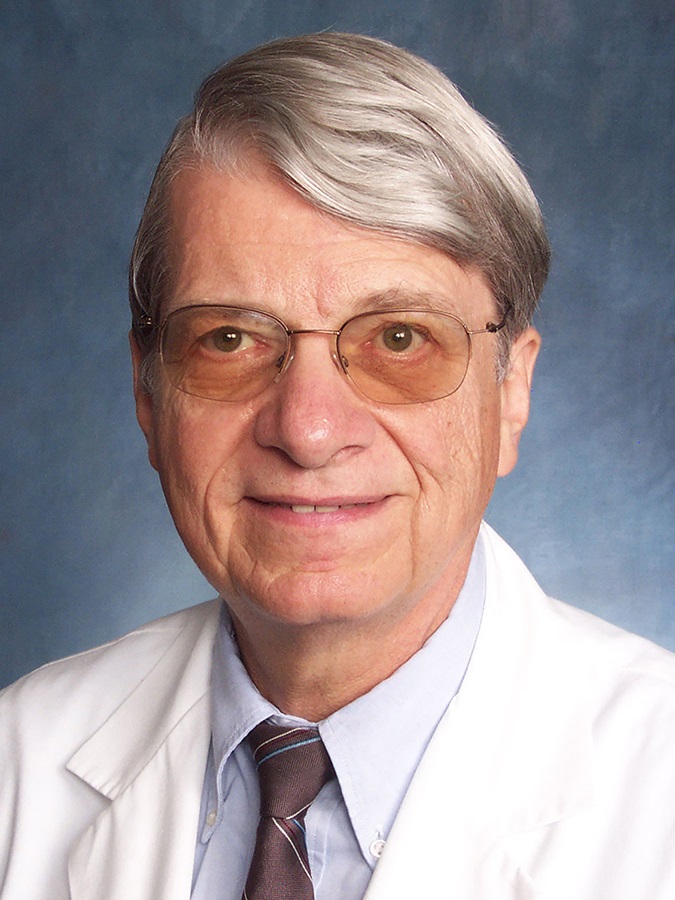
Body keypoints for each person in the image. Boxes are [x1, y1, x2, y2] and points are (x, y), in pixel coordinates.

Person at [1, 32, 673, 900]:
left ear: (510, 392)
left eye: (400, 338)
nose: (309, 430)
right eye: (229, 338)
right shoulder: (19, 764)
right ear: (147, 392)